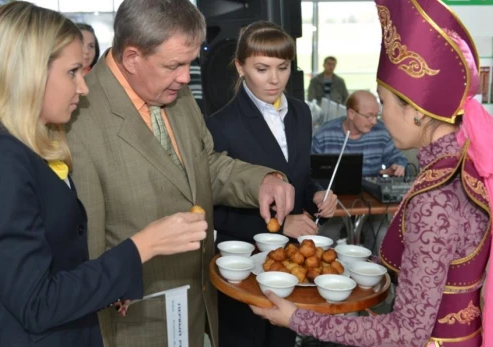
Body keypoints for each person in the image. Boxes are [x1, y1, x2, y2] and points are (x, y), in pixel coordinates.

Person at [0, 2, 207, 347]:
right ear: (28, 73)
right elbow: (37, 304)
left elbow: (56, 264)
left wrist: (108, 285)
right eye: (72, 72)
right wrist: (143, 246)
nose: (83, 87)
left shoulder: (22, 148)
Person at [250, 0, 493, 346]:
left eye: (385, 102)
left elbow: (405, 334)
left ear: (416, 112)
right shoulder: (465, 168)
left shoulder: (436, 197)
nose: (381, 117)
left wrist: (298, 318)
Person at [66, 1, 295, 346]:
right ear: (131, 58)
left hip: (197, 300)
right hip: (137, 319)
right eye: (175, 65)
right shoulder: (80, 115)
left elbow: (202, 164)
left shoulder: (172, 86)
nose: (186, 77)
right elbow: (86, 239)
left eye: (190, 63)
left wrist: (260, 181)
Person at [205, 21, 338, 347]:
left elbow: (299, 178)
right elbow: (215, 211)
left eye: (283, 67)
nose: (274, 79)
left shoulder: (301, 114)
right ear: (240, 67)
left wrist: (318, 191)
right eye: (262, 69)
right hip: (244, 266)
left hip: (290, 266)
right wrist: (279, 226)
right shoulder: (220, 125)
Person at [312, 90, 408, 177]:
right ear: (351, 114)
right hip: (331, 194)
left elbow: (399, 160)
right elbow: (308, 169)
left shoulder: (381, 132)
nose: (374, 122)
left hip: (369, 194)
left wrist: (398, 167)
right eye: (369, 116)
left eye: (376, 115)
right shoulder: (324, 134)